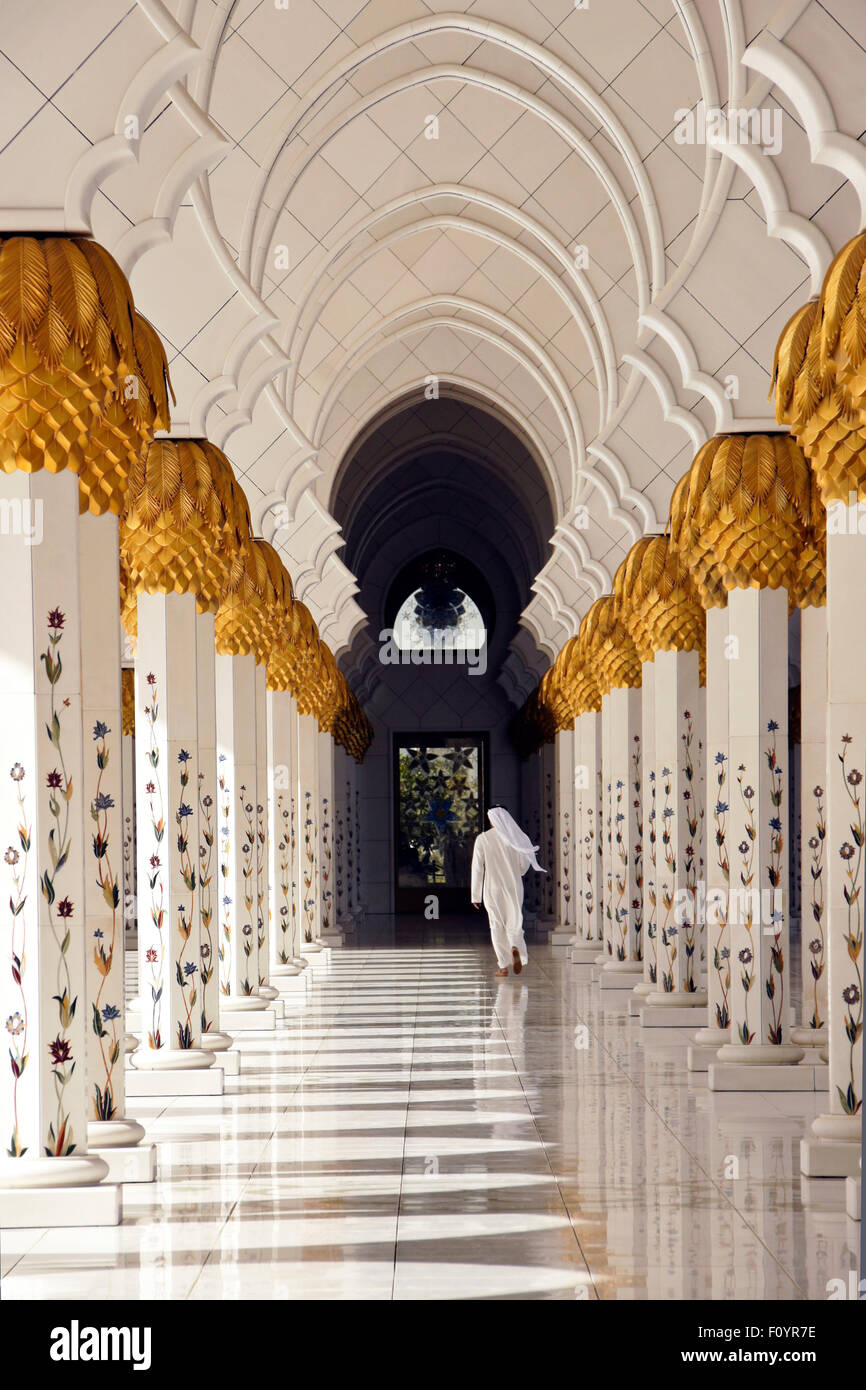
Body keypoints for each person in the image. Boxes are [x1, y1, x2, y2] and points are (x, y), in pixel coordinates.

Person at [471, 807, 546, 977]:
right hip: (513, 886)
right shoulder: (516, 838)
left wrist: (475, 895)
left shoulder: (483, 839)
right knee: (514, 921)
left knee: (497, 925)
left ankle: (503, 965)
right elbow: (523, 864)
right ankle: (517, 949)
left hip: (492, 888)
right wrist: (516, 871)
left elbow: (477, 869)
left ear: (491, 820)